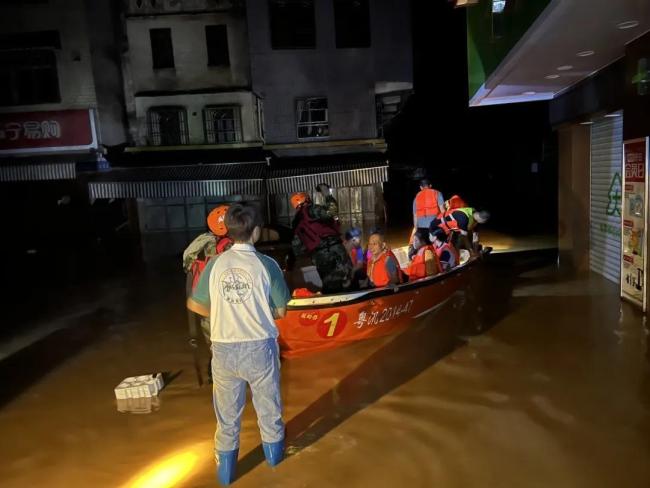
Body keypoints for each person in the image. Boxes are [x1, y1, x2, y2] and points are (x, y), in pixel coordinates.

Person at [186, 204, 291, 485]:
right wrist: (255, 311)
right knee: (269, 411)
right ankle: (276, 469)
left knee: (227, 418)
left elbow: (195, 303)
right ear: (256, 232)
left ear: (228, 232)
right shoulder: (267, 265)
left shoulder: (215, 264)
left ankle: (226, 478)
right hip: (260, 348)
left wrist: (224, 313)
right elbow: (282, 311)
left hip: (222, 350)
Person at [183, 205, 234, 345]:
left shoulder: (201, 242)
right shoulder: (229, 245)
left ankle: (215, 361)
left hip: (202, 301)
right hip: (222, 302)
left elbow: (187, 266)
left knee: (214, 341)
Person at [291, 192, 352, 293]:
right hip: (334, 249)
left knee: (329, 283)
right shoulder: (312, 209)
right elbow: (332, 211)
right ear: (307, 199)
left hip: (319, 257)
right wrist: (327, 195)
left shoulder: (296, 222)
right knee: (348, 279)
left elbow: (297, 249)